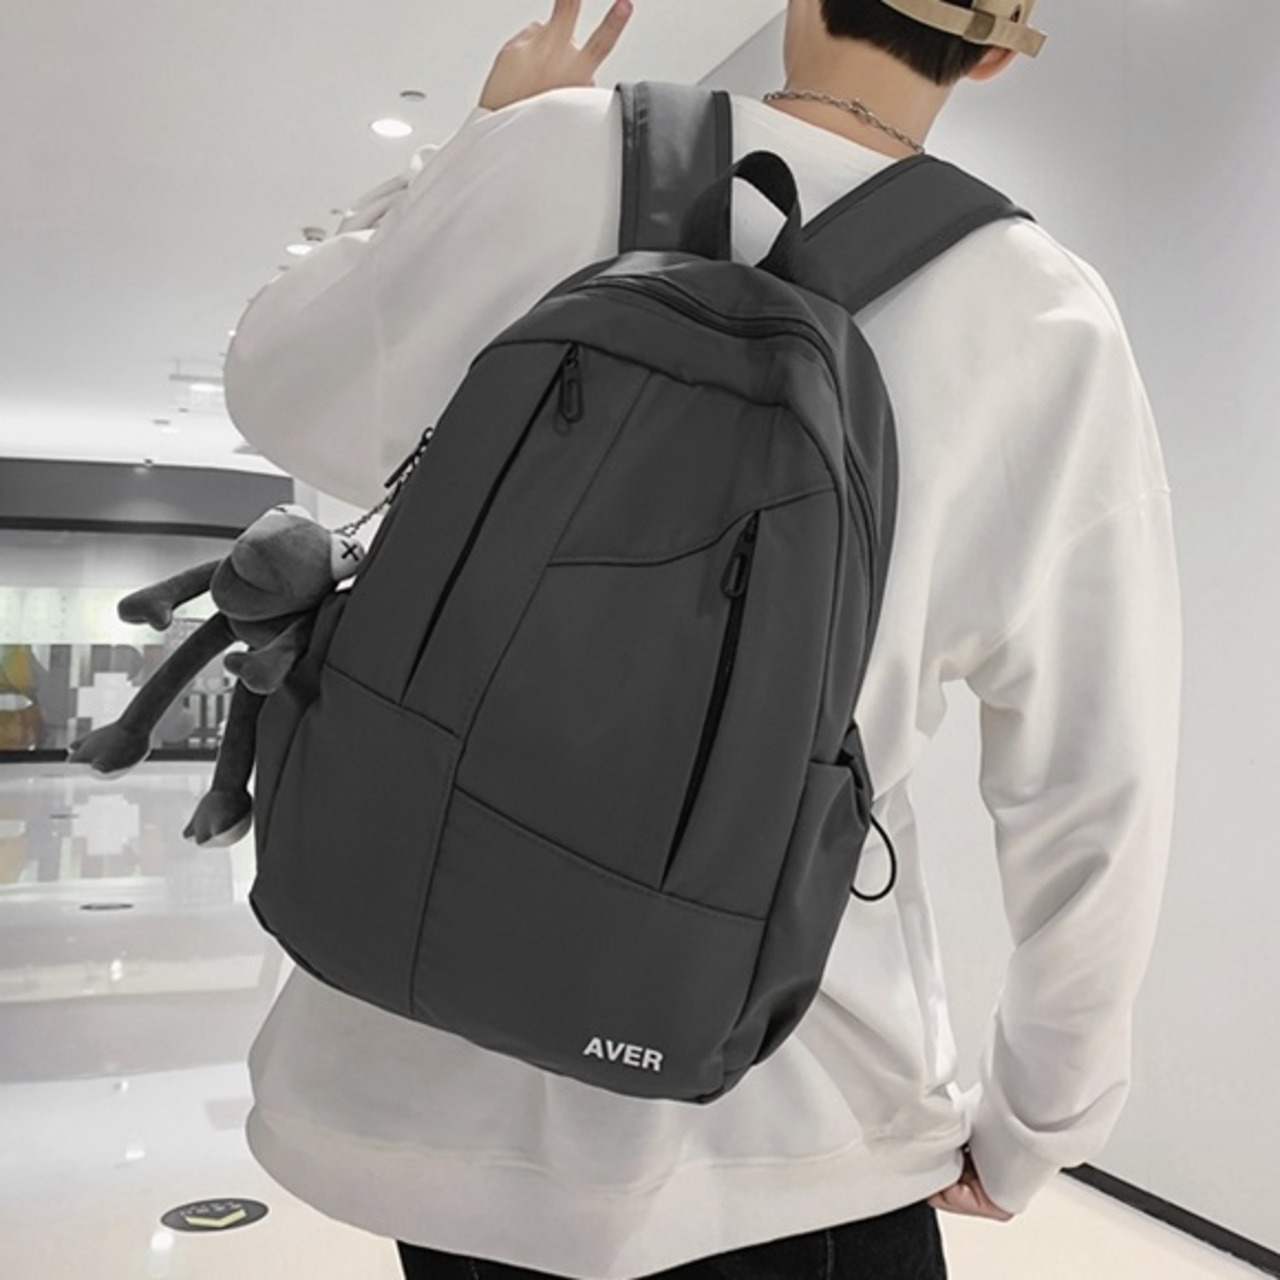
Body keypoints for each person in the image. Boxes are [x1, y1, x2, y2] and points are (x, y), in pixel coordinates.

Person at [223, 1, 1182, 1276]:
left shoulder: (545, 149)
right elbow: (1093, 777)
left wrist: (481, 136)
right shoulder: (1042, 313)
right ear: (999, 48)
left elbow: (275, 384)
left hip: (408, 1068)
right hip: (782, 1117)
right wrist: (1036, 1122)